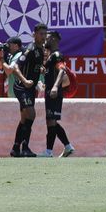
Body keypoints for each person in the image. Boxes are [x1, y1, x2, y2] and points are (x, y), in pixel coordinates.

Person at [3, 24, 49, 156]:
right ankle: (25, 148)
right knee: (31, 114)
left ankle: (16, 148)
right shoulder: (30, 49)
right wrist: (25, 81)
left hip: (29, 88)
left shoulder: (40, 50)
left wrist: (40, 69)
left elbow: (33, 65)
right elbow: (16, 68)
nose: (43, 36)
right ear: (34, 35)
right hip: (21, 87)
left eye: (45, 34)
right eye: (41, 34)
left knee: (24, 118)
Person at [39, 30, 76, 158]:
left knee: (51, 121)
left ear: (54, 39)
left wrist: (55, 86)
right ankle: (67, 146)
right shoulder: (50, 56)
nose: (45, 39)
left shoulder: (57, 55)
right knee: (51, 121)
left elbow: (62, 71)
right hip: (49, 92)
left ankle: (49, 151)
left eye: (47, 37)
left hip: (54, 93)